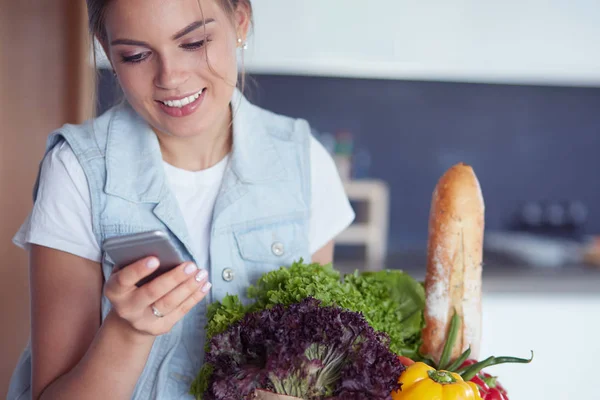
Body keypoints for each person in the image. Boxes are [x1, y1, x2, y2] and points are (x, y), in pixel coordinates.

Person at [7, 0, 355, 399]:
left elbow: (314, 366)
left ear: (240, 22)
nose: (170, 78)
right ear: (106, 50)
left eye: (194, 42)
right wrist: (128, 331)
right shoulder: (77, 170)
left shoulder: (303, 161)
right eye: (135, 55)